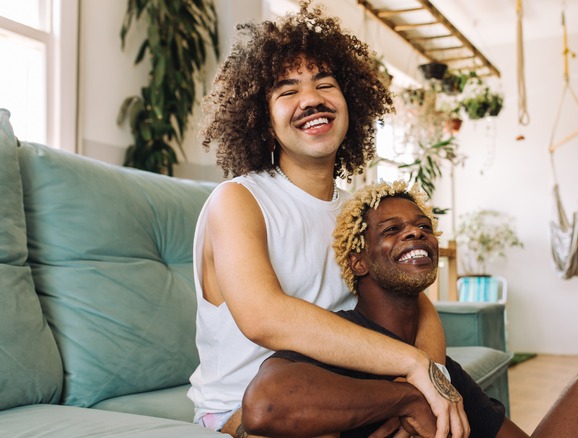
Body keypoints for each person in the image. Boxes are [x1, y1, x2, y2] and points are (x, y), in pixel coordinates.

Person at [187, 2, 468, 437]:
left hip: (346, 397)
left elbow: (416, 303)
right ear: (264, 121)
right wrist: (409, 364)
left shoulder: (359, 213)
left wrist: (428, 379)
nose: (312, 99)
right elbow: (264, 317)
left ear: (350, 102)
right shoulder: (238, 200)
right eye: (287, 91)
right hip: (248, 410)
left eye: (325, 84)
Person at [239, 180, 578, 438]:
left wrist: (428, 384)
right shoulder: (343, 343)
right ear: (359, 261)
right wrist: (406, 400)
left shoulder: (438, 369)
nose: (415, 233)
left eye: (423, 226)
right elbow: (264, 406)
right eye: (392, 230)